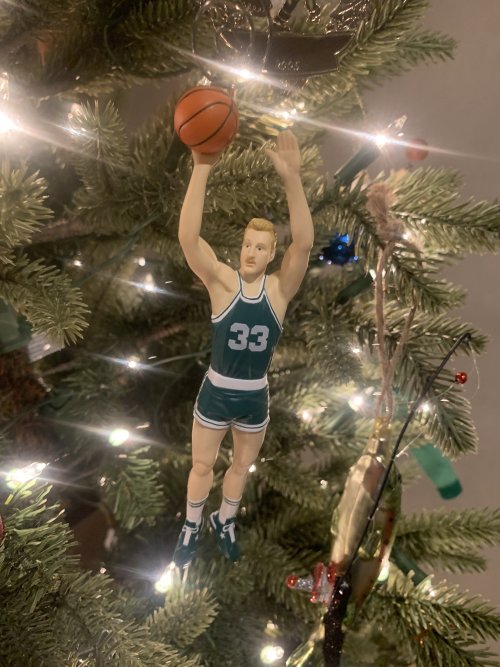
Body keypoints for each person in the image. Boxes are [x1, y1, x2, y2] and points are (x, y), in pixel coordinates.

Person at [174, 129, 314, 568]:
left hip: (255, 395)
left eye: (261, 247)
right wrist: (202, 167)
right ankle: (191, 525)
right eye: (247, 244)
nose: (251, 251)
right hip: (217, 390)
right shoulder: (222, 282)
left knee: (240, 467)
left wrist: (293, 180)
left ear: (272, 254)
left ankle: (225, 519)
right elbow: (189, 240)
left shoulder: (279, 290)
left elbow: (304, 243)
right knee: (202, 466)